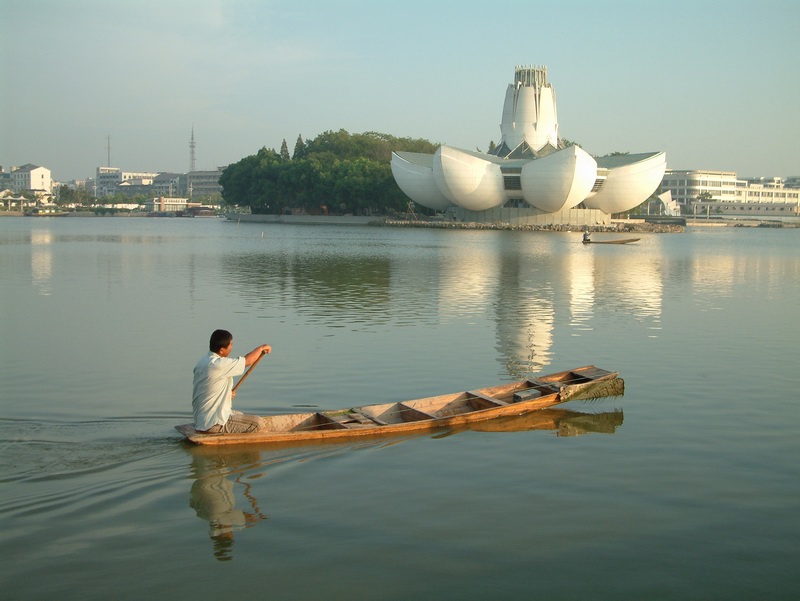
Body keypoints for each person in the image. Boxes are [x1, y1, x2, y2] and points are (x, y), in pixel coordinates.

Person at [192, 329, 272, 433]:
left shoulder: (202, 362)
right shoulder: (219, 364)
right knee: (258, 423)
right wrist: (261, 348)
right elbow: (248, 361)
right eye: (230, 344)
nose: (232, 347)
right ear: (221, 350)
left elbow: (209, 388)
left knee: (240, 415)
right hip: (214, 423)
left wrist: (227, 394)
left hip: (201, 421)